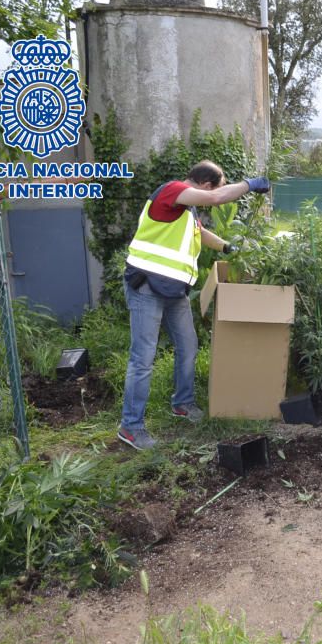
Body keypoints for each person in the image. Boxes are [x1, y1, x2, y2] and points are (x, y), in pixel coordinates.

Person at [118, 161, 270, 450]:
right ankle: (131, 427)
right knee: (143, 358)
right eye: (217, 188)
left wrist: (228, 247)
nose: (213, 197)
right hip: (147, 286)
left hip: (174, 291)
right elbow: (215, 198)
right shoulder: (173, 191)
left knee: (188, 345)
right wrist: (250, 184)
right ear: (206, 185)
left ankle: (182, 404)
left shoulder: (186, 212)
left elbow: (202, 233)